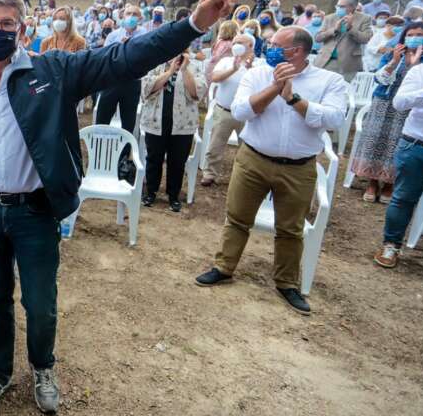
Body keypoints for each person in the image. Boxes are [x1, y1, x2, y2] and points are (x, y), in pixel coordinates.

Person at [0, 0, 236, 416]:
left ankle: (43, 368)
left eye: (8, 24)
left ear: (24, 30)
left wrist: (191, 25)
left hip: (34, 211)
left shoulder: (52, 71)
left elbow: (123, 58)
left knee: (40, 302)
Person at [195, 26, 348, 316]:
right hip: (253, 159)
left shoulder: (330, 80)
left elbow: (333, 119)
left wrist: (293, 98)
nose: (269, 47)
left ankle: (287, 283)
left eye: (276, 44)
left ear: (298, 52)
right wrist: (274, 90)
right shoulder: (258, 74)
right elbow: (240, 111)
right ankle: (223, 267)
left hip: (298, 168)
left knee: (291, 229)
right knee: (237, 218)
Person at [351, 23, 423, 203]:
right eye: (410, 34)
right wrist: (394, 61)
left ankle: (389, 184)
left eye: (419, 34)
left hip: (409, 111)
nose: (414, 37)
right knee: (376, 140)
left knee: (396, 144)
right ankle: (371, 182)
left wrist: (414, 66)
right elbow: (379, 79)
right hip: (384, 103)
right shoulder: (394, 53)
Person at [374, 50, 423, 267]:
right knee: (404, 198)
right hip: (416, 145)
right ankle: (391, 245)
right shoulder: (420, 72)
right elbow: (400, 102)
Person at [140, 49, 205, 211]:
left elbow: (197, 93)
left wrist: (184, 70)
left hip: (183, 124)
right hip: (156, 121)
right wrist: (169, 72)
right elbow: (147, 88)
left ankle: (174, 195)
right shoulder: (155, 64)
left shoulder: (195, 67)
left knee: (177, 161)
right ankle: (151, 192)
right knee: (154, 158)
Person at [202, 34, 254, 186]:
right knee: (215, 146)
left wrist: (250, 70)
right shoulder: (226, 61)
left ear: (250, 46)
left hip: (247, 115)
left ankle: (245, 177)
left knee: (247, 149)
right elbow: (215, 77)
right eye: (235, 42)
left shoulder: (258, 65)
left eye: (240, 43)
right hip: (224, 110)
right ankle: (210, 174)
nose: (236, 45)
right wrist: (233, 69)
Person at [314, 0, 373, 82]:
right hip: (325, 61)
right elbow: (317, 38)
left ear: (353, 7)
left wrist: (350, 28)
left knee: (341, 91)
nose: (338, 8)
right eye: (337, 6)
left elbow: (365, 39)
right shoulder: (329, 18)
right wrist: (334, 30)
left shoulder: (364, 18)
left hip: (348, 64)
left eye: (342, 6)